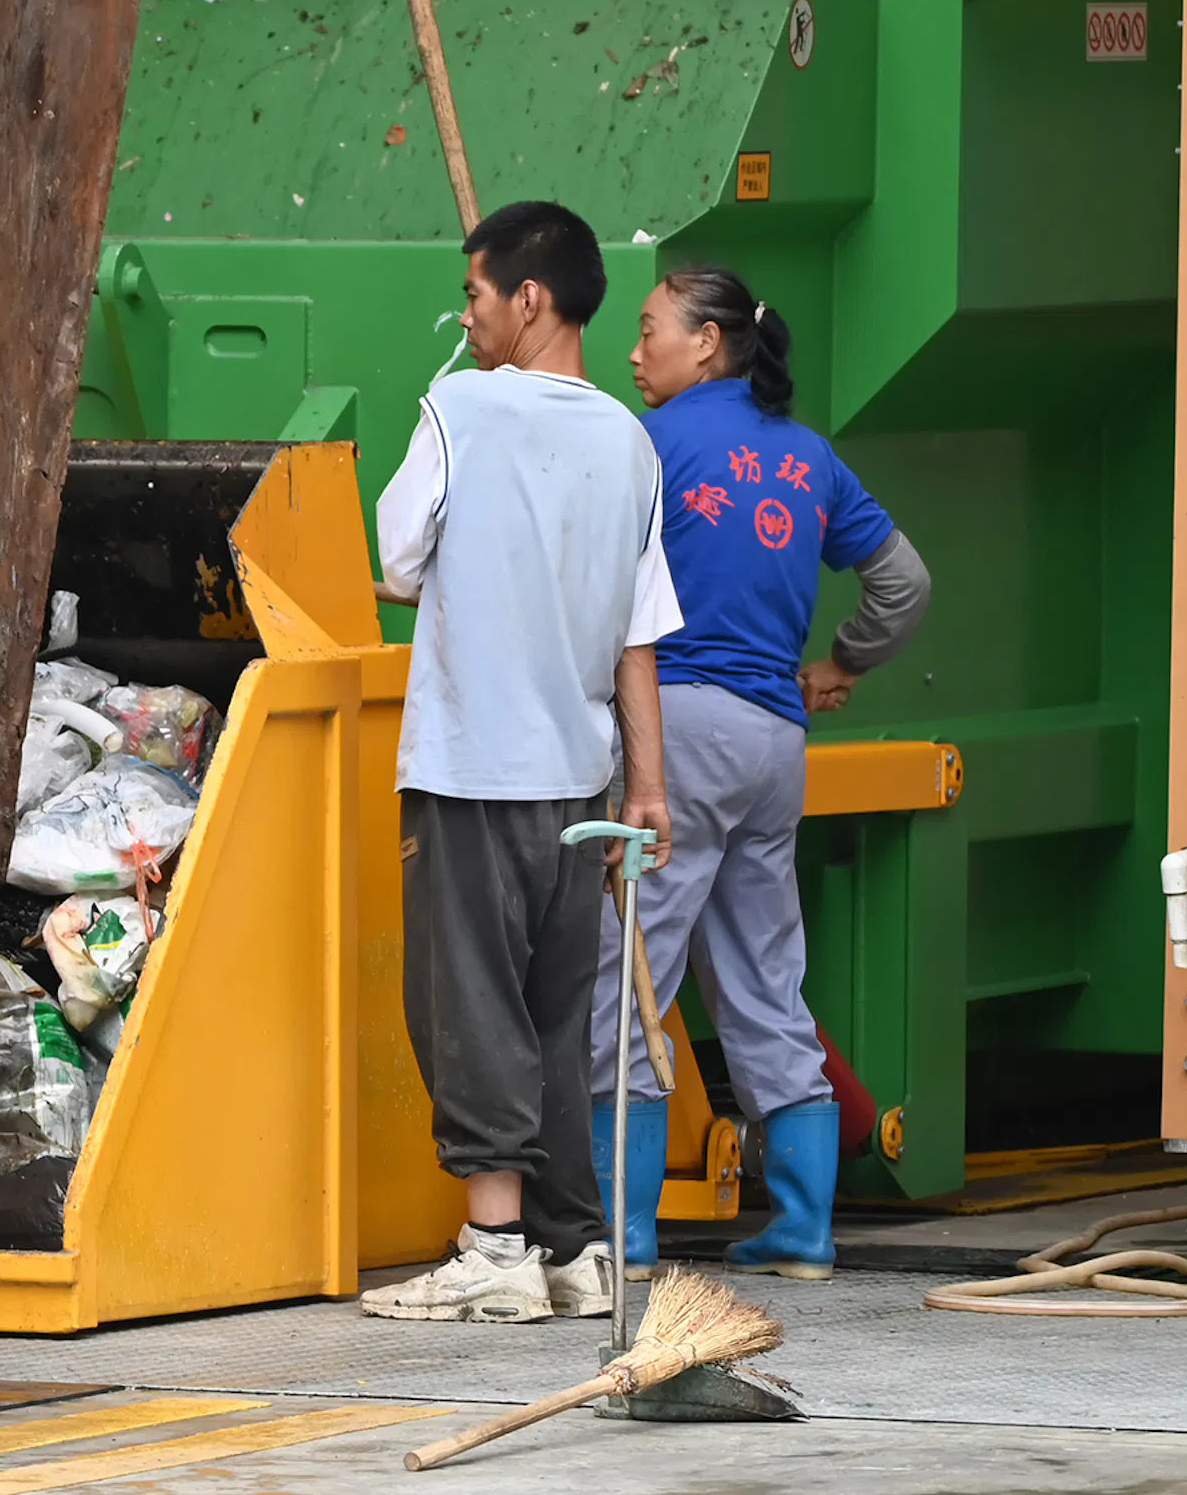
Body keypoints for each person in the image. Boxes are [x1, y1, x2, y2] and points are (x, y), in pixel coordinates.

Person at [359, 200, 681, 1326]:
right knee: (553, 1016)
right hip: (582, 781)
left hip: (471, 766)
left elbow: (396, 555)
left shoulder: (459, 406)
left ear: (527, 298)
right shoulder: (631, 439)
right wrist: (646, 787)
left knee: (467, 1005)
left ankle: (494, 1246)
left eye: (475, 294)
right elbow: (639, 629)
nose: (468, 314)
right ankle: (573, 1247)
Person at [598, 264, 932, 1281]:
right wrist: (842, 663)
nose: (632, 347)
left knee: (630, 983)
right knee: (763, 979)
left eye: (648, 326)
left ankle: (629, 1236)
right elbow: (904, 581)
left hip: (676, 732)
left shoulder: (647, 444)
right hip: (773, 742)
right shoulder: (809, 456)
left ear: (706, 341)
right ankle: (801, 1230)